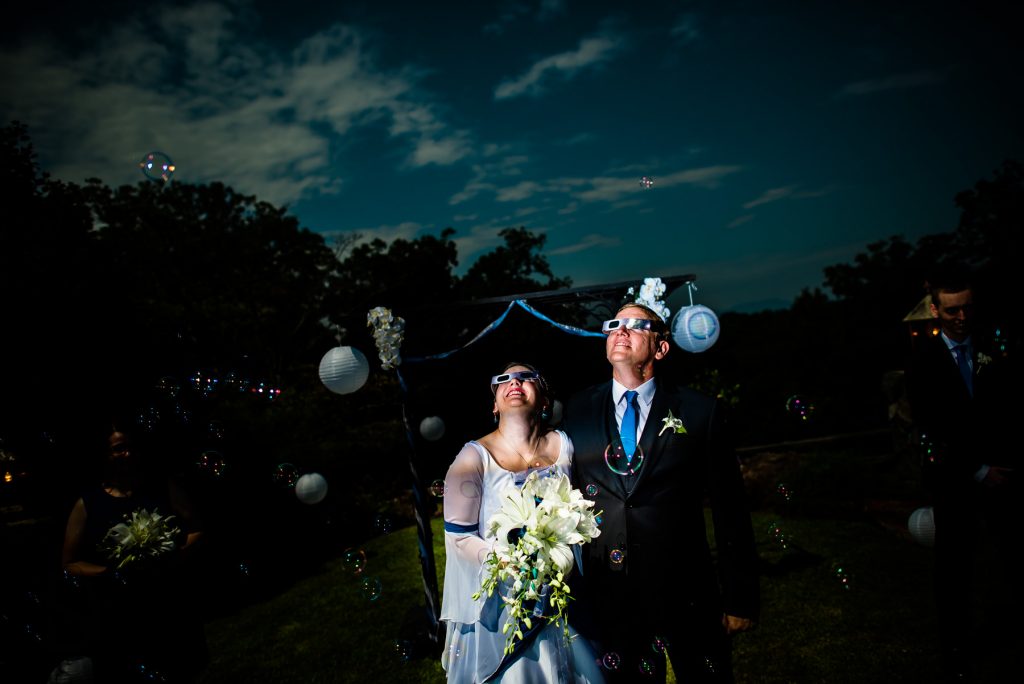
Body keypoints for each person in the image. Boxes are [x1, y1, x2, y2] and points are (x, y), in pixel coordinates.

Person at [563, 300, 759, 683]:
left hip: (687, 588)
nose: (620, 330)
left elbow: (730, 509)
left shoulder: (701, 411)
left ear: (661, 347)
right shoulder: (578, 408)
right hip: (610, 592)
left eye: (636, 325)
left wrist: (739, 597)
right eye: (614, 324)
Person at [439, 362, 606, 683]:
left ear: (544, 401)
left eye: (526, 378)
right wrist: (507, 560)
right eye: (503, 379)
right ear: (494, 404)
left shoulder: (565, 446)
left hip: (563, 595)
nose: (514, 382)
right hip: (502, 606)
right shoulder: (473, 457)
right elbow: (458, 538)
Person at [905, 274, 1018, 680]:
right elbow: (930, 426)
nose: (961, 316)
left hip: (1005, 475)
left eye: (967, 307)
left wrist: (1000, 466)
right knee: (953, 567)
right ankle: (954, 647)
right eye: (952, 309)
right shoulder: (922, 360)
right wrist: (978, 470)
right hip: (954, 480)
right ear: (936, 309)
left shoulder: (993, 348)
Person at [56, 422, 207, 682]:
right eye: (119, 448)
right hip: (121, 615)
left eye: (130, 447)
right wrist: (111, 573)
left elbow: (196, 528)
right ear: (105, 455)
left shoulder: (159, 486)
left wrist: (173, 556)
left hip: (169, 605)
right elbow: (70, 562)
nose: (127, 453)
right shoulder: (89, 504)